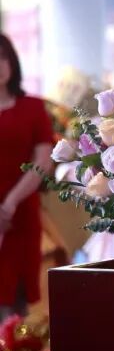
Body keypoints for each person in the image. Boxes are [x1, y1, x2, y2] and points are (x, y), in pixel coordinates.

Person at [0, 34, 55, 320]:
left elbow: (42, 161)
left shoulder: (32, 107)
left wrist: (9, 204)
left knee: (15, 306)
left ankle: (13, 349)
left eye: (3, 57)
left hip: (20, 214)